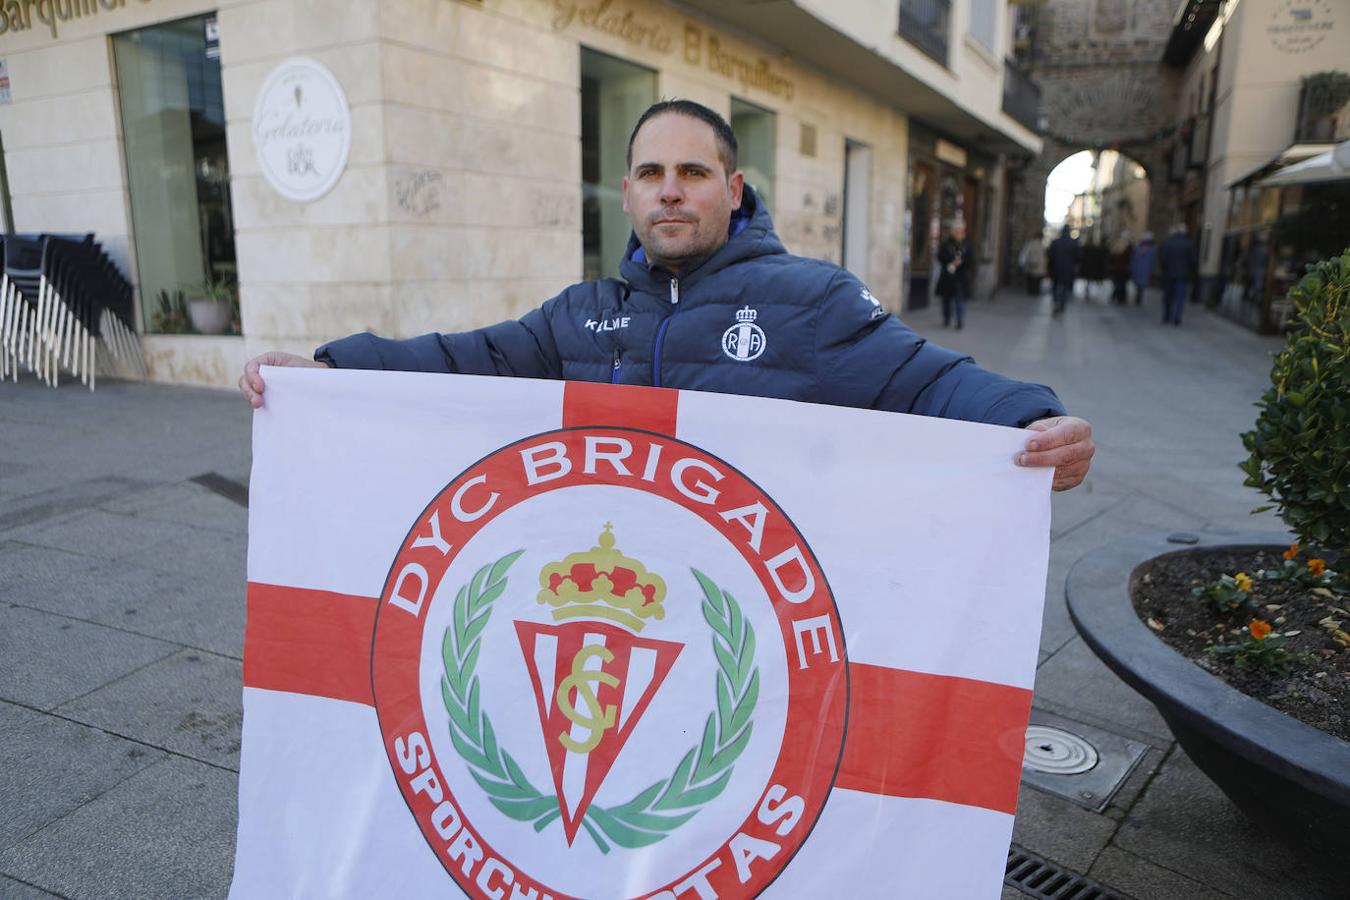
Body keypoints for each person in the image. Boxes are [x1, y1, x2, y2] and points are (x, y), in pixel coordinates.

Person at [240, 100, 1094, 491]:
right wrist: (324, 371)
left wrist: (1031, 421)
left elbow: (927, 381)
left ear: (733, 188)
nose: (671, 190)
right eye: (652, 173)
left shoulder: (811, 299)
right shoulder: (580, 312)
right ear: (628, 194)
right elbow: (469, 359)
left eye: (693, 172)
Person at [1158, 223, 1198, 326]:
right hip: (1183, 275)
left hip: (1169, 274)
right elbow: (1193, 261)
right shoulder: (1189, 244)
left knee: (1168, 297)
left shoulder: (1168, 243)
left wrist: (1165, 270)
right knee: (1180, 298)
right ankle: (1177, 317)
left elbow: (1163, 260)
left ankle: (1167, 316)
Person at [936, 223, 972, 329]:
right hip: (947, 276)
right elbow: (940, 257)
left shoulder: (966, 244)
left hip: (960, 277)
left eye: (961, 231)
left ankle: (959, 320)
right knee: (946, 299)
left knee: (959, 299)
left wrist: (961, 263)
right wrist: (951, 262)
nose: (959, 234)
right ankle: (946, 318)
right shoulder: (946, 244)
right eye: (957, 231)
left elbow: (970, 260)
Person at [1045, 225, 1081, 318]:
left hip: (1056, 268)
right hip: (1068, 269)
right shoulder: (1074, 243)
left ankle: (1056, 301)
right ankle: (1061, 304)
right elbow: (1079, 257)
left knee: (1055, 285)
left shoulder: (1055, 242)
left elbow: (1049, 255)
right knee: (1065, 287)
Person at [1129, 231, 1156, 306]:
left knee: (1139, 284)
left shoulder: (1138, 248)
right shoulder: (1151, 249)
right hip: (1144, 270)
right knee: (1141, 285)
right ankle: (1139, 297)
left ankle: (1138, 296)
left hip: (1138, 269)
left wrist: (1132, 268)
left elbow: (1133, 259)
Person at [1108, 230, 1133, 305]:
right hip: (1123, 269)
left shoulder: (1117, 246)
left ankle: (1116, 296)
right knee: (1122, 284)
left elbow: (1111, 257)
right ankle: (1120, 297)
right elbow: (1129, 259)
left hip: (1116, 269)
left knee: (1118, 283)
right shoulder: (1128, 248)